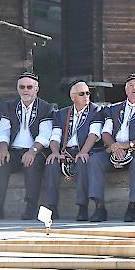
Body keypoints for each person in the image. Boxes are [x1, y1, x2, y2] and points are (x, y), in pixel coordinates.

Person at [88, 74, 135, 222]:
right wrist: (114, 146)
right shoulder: (113, 109)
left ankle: (132, 206)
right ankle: (99, 207)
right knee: (95, 160)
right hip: (114, 148)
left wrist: (128, 145)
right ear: (125, 90)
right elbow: (105, 132)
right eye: (131, 85)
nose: (134, 88)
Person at [0, 72, 54, 221]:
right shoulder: (9, 106)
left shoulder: (46, 108)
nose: (25, 90)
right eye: (22, 87)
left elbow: (44, 135)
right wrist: (2, 149)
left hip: (36, 151)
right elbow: (3, 130)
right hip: (14, 151)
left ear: (36, 89)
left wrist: (32, 151)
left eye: (29, 87)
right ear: (18, 89)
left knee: (32, 163)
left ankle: (30, 207)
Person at [43, 81, 105, 221]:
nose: (86, 96)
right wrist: (54, 152)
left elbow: (94, 134)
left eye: (88, 93)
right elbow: (55, 136)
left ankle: (82, 207)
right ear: (72, 97)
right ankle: (52, 207)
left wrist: (83, 152)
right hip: (66, 151)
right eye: (82, 93)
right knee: (51, 163)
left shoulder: (96, 111)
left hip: (86, 150)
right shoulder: (62, 113)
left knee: (82, 162)